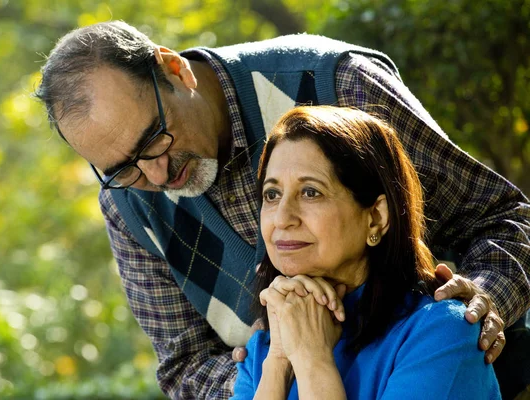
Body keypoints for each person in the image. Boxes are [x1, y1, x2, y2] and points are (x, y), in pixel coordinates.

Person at [34, 21, 530, 399]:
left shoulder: (339, 84)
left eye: (155, 140)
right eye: (123, 168)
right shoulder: (127, 203)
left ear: (173, 70)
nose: (157, 177)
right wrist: (279, 360)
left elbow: (505, 217)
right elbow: (185, 365)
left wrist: (480, 305)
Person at [231, 105, 501, 399]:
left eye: (310, 192)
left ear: (376, 217)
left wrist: (312, 360)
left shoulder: (442, 334)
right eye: (272, 194)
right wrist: (278, 365)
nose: (282, 218)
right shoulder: (264, 348)